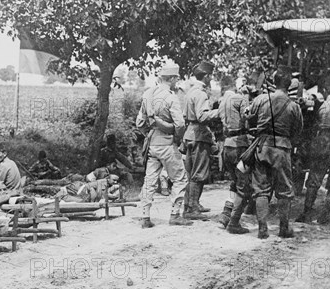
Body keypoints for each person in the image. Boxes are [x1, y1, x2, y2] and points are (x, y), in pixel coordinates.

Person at [248, 66, 303, 239]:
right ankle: (284, 228)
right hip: (282, 148)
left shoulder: (260, 100)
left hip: (262, 146)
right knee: (285, 190)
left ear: (273, 81)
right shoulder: (293, 106)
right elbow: (298, 130)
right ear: (289, 84)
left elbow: (250, 120)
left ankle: (262, 228)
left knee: (261, 189)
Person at [135, 64, 193, 228]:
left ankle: (145, 217)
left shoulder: (147, 94)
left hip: (153, 143)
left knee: (150, 180)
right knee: (180, 178)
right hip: (168, 143)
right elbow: (180, 124)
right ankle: (175, 215)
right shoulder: (171, 97)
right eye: (177, 78)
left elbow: (139, 122)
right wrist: (177, 138)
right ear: (173, 78)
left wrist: (148, 134)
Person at [296, 76, 330, 224]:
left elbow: (316, 123)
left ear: (326, 90)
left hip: (323, 142)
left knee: (314, 179)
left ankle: (306, 212)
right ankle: (324, 216)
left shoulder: (322, 106)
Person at [183, 60, 219, 218]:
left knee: (191, 172)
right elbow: (203, 116)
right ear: (205, 76)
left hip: (190, 133)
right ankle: (193, 208)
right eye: (210, 75)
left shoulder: (190, 91)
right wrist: (219, 111)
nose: (211, 78)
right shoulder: (201, 93)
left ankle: (190, 205)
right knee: (199, 172)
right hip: (199, 135)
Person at [217, 75, 252, 234]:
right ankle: (234, 222)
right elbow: (248, 117)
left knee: (234, 182)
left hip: (227, 145)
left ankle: (225, 216)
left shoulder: (222, 101)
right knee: (244, 185)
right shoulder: (240, 99)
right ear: (235, 86)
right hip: (240, 145)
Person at [0, 141, 23, 205]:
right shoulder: (11, 162)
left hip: (11, 194)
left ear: (4, 153)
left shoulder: (3, 165)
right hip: (17, 191)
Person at [55, 174, 121, 204]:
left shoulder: (107, 183)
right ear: (108, 179)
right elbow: (100, 193)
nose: (115, 182)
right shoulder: (103, 182)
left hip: (84, 188)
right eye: (114, 180)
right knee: (81, 201)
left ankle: (63, 196)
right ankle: (62, 196)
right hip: (83, 189)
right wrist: (113, 197)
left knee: (82, 200)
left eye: (116, 181)